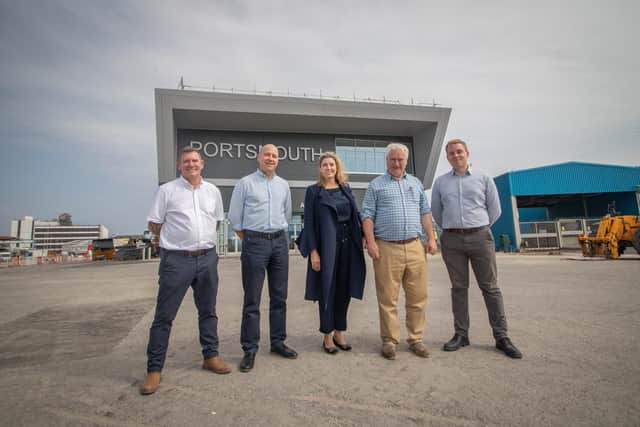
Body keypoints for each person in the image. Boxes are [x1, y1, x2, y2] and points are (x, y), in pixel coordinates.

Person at [141, 146, 229, 396]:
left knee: (208, 312)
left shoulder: (212, 191)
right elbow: (154, 223)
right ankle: (154, 370)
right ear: (180, 166)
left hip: (208, 259)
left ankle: (210, 356)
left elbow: (217, 221)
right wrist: (177, 241)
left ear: (202, 164)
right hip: (176, 261)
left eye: (195, 161)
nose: (191, 164)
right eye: (186, 161)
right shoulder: (167, 190)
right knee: (164, 317)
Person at [431, 138, 522, 359]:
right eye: (451, 153)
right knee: (458, 287)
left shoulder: (483, 178)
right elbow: (436, 211)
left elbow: (495, 209)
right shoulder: (441, 182)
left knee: (490, 287)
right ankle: (461, 334)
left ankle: (501, 336)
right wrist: (453, 228)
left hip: (480, 237)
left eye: (459, 151)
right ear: (447, 156)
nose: (456, 155)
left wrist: (478, 227)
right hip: (452, 240)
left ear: (467, 153)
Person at [361, 143, 437, 360]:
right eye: (393, 159)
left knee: (418, 296)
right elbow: (367, 215)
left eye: (400, 159)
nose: (396, 163)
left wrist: (431, 238)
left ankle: (416, 339)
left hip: (415, 246)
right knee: (388, 298)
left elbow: (425, 212)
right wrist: (371, 242)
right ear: (387, 161)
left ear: (406, 160)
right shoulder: (376, 185)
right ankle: (390, 341)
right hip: (386, 247)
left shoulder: (416, 183)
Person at [228, 144, 297, 372]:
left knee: (279, 296)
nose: (270, 158)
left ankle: (277, 342)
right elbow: (235, 219)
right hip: (254, 243)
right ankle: (250, 349)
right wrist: (253, 238)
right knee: (252, 299)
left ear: (278, 160)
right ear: (259, 157)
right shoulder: (245, 183)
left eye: (274, 155)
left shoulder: (283, 185)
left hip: (279, 243)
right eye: (267, 154)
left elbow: (286, 214)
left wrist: (277, 236)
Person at [296, 152, 366, 354]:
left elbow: (357, 214)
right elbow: (308, 224)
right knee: (328, 288)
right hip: (326, 246)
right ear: (320, 169)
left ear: (337, 168)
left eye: (332, 165)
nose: (329, 168)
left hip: (348, 245)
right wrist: (313, 253)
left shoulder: (346, 189)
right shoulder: (313, 192)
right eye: (325, 165)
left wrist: (364, 235)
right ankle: (327, 335)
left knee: (345, 289)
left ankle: (339, 332)